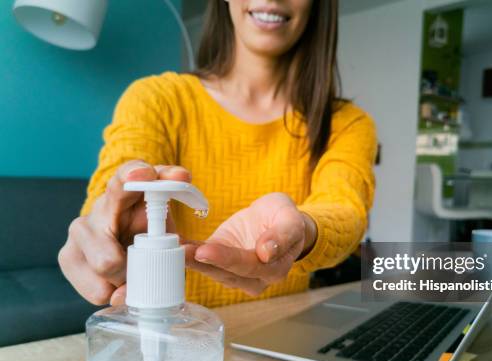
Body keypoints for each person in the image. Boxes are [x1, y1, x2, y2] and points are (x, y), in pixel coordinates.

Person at [58, 0, 377, 308]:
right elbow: (120, 169)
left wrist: (303, 229)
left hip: (281, 337)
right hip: (168, 339)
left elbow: (344, 208)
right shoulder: (157, 99)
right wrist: (106, 218)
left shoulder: (346, 123)